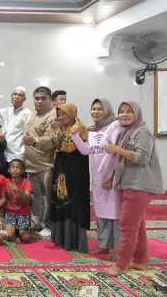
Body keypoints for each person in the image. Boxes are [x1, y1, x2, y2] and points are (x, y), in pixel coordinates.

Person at [102, 101, 164, 276]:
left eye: (129, 111)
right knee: (138, 225)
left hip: (139, 185)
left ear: (137, 114)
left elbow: (143, 158)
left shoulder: (142, 131)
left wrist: (116, 150)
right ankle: (141, 260)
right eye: (121, 111)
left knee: (128, 226)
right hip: (130, 183)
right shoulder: (126, 131)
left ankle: (122, 264)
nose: (124, 115)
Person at [70, 99, 121, 259]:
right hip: (98, 177)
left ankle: (116, 247)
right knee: (101, 211)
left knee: (115, 212)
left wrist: (111, 176)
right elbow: (86, 151)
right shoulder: (92, 130)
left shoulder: (115, 126)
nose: (96, 112)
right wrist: (75, 135)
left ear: (107, 110)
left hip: (112, 177)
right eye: (93, 109)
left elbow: (117, 153)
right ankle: (104, 244)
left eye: (100, 109)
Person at [49, 103, 90, 253]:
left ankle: (73, 239)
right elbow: (59, 148)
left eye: (64, 115)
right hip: (63, 171)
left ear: (72, 114)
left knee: (73, 203)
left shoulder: (80, 128)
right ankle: (61, 237)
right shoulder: (64, 129)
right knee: (62, 199)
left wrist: (64, 134)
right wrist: (58, 131)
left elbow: (74, 149)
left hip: (75, 173)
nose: (61, 118)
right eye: (59, 115)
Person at [23, 86, 57, 237]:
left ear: (50, 99)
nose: (39, 101)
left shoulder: (53, 116)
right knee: (36, 197)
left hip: (46, 165)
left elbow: (52, 140)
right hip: (31, 165)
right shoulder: (34, 115)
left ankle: (49, 225)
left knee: (49, 197)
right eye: (37, 98)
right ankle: (36, 222)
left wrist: (34, 141)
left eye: (43, 98)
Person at [0, 87, 32, 162]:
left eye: (20, 95)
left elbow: (27, 134)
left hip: (17, 155)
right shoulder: (8, 110)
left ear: (24, 99)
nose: (17, 97)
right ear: (11, 97)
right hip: (3, 153)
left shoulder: (27, 113)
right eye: (15, 94)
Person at [0, 159, 33, 243]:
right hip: (9, 213)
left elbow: (27, 199)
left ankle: (20, 231)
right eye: (13, 167)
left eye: (18, 167)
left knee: (25, 238)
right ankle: (14, 230)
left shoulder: (26, 182)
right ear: (8, 170)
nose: (15, 169)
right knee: (9, 236)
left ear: (22, 171)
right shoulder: (5, 181)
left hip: (23, 213)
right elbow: (3, 198)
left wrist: (17, 190)